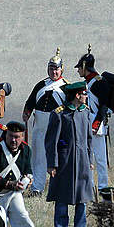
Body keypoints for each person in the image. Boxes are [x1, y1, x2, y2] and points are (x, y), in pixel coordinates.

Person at [45, 81, 94, 227]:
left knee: (82, 199)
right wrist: (52, 163)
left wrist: (90, 159)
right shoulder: (59, 113)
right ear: (77, 95)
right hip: (64, 163)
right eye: (84, 94)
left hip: (82, 163)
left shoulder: (85, 111)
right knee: (62, 199)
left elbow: (89, 138)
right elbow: (51, 141)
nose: (86, 97)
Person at [22, 48, 69, 195]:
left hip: (56, 125)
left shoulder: (66, 87)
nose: (54, 72)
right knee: (38, 156)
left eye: (56, 69)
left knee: (56, 156)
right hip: (39, 124)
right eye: (51, 69)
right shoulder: (41, 85)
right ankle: (37, 187)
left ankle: (58, 187)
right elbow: (31, 101)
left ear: (62, 70)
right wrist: (27, 112)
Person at [75, 46, 111, 190]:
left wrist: (96, 124)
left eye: (80, 67)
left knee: (100, 159)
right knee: (85, 157)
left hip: (96, 124)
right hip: (85, 123)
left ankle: (102, 186)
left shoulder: (99, 82)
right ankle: (87, 185)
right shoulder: (86, 83)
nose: (78, 70)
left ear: (85, 67)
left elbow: (103, 106)